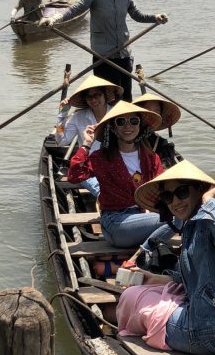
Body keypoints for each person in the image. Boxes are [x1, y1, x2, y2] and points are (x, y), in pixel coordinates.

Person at [117, 160, 215, 355]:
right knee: (138, 291)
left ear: (199, 190)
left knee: (131, 298)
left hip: (212, 331)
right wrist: (157, 279)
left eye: (182, 192)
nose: (175, 202)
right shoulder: (191, 225)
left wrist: (210, 200)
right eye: (168, 197)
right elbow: (200, 275)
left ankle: (117, 325)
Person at [39, 0, 169, 102]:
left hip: (124, 53)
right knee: (109, 98)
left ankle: (125, 124)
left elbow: (137, 15)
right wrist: (54, 18)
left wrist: (156, 18)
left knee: (126, 97)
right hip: (103, 56)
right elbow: (75, 9)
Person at [67, 101, 167, 251]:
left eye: (134, 121)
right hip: (116, 223)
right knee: (175, 218)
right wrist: (87, 144)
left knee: (185, 213)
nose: (128, 126)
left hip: (143, 217)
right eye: (121, 122)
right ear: (113, 128)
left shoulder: (151, 157)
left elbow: (161, 189)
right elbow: (74, 176)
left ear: (140, 126)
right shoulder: (101, 158)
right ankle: (144, 254)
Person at [56, 75, 122, 196]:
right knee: (102, 192)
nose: (94, 100)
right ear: (85, 100)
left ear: (105, 96)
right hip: (90, 168)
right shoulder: (78, 117)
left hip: (117, 165)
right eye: (89, 97)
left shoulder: (118, 114)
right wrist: (62, 115)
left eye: (97, 95)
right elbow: (61, 141)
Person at [132, 92, 182, 167]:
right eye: (147, 110)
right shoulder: (126, 137)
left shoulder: (161, 145)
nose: (152, 115)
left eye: (157, 111)